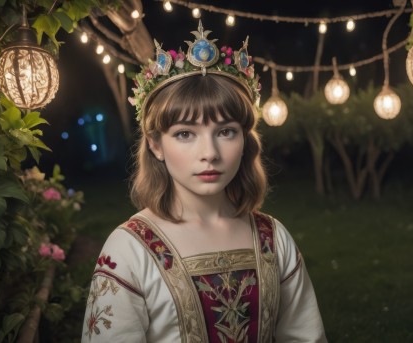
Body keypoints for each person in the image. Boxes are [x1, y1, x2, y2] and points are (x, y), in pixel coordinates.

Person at [81, 22, 327, 343]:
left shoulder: (273, 239)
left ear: (245, 139)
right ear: (156, 145)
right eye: (185, 134)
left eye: (226, 131)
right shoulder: (128, 251)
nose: (209, 153)